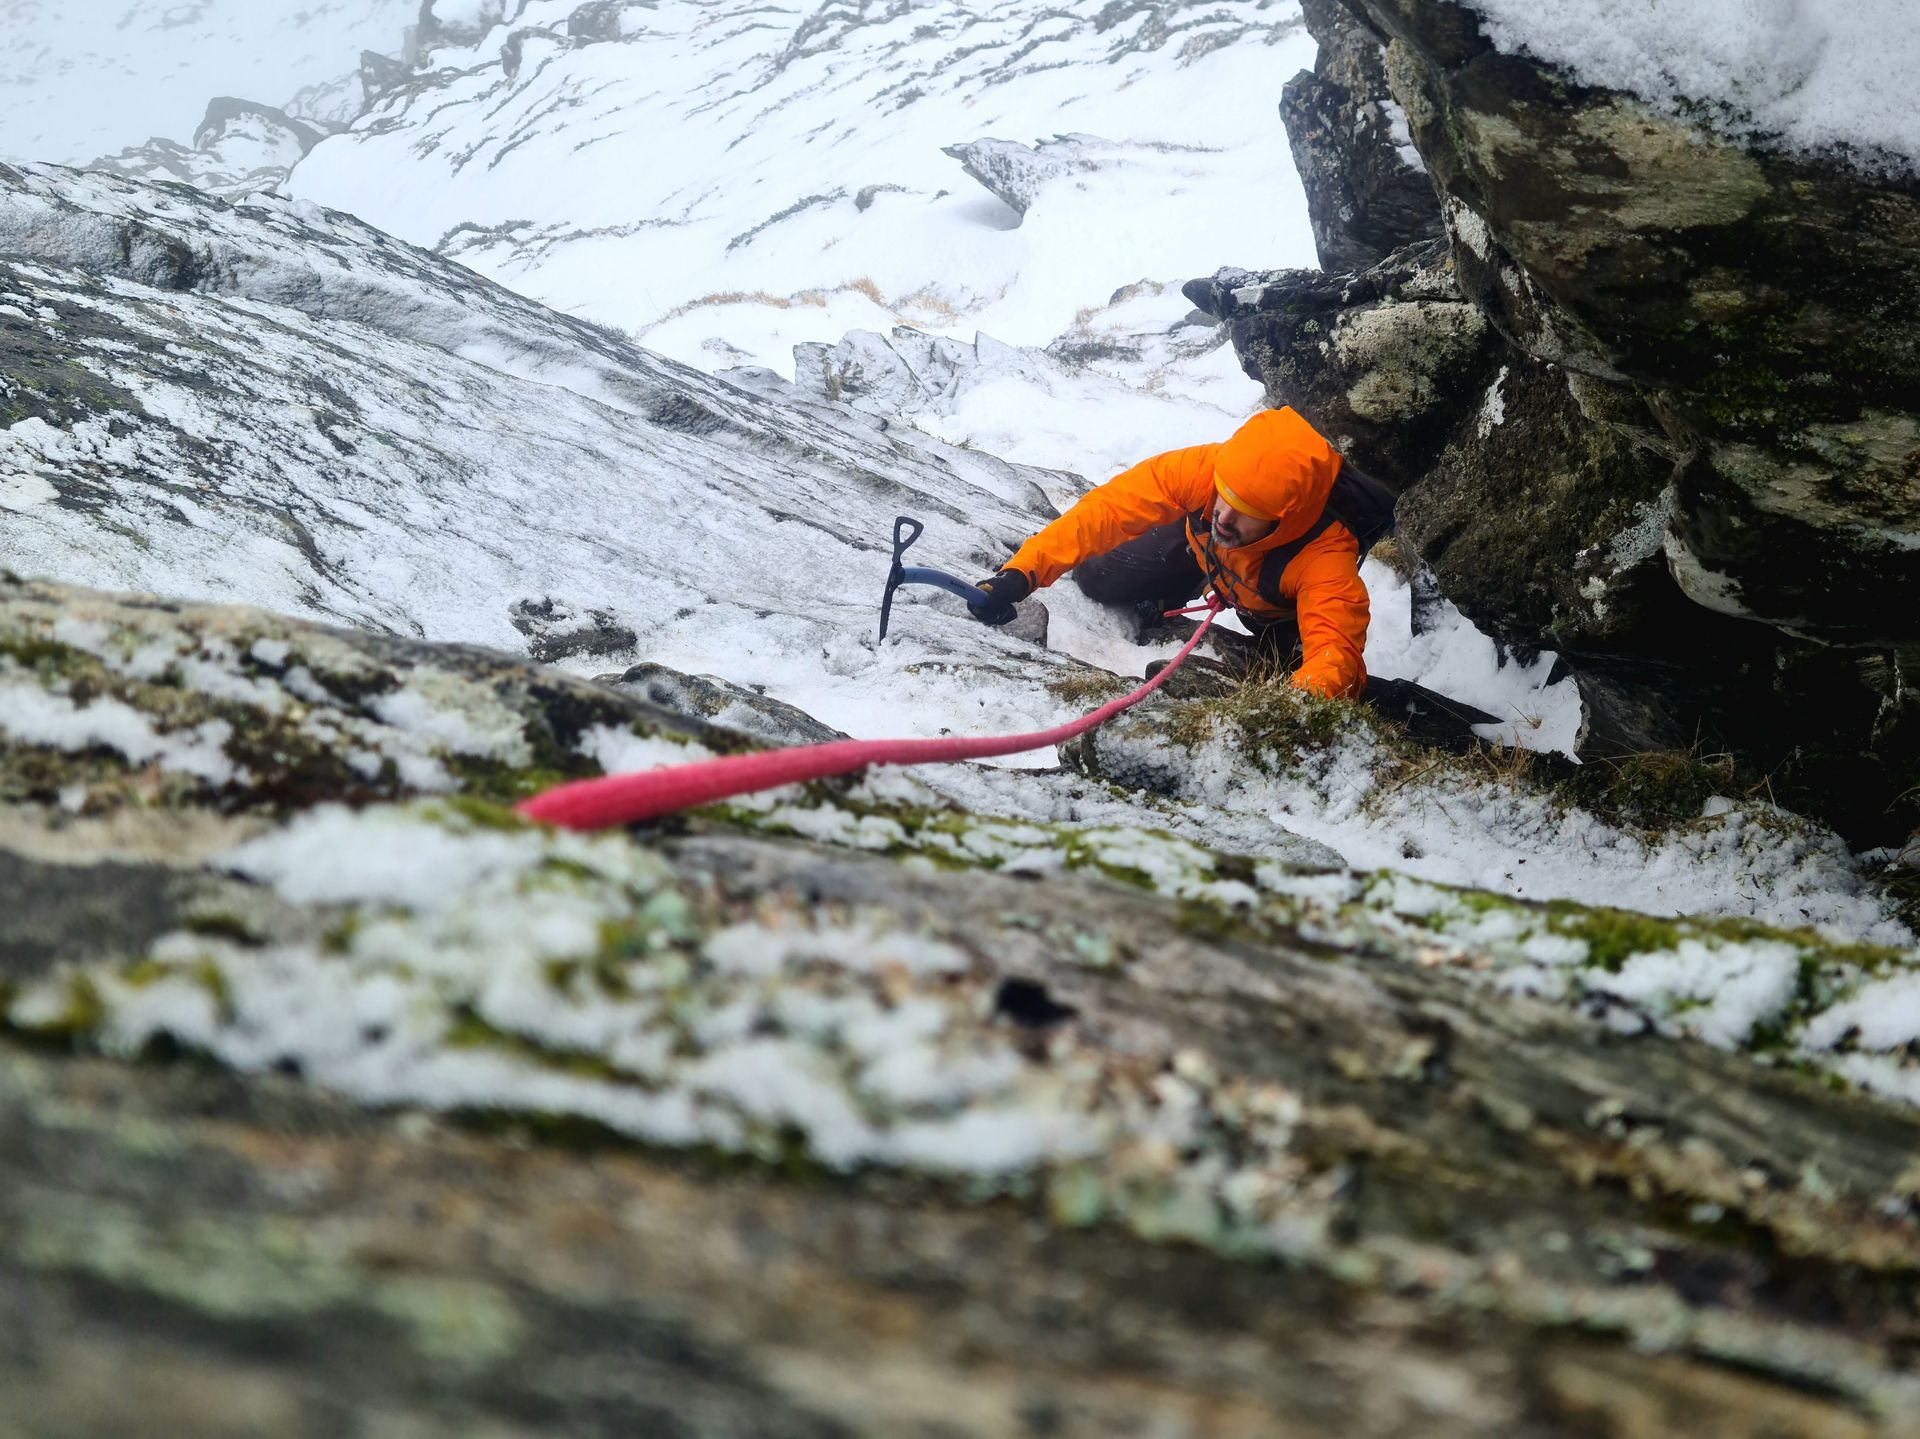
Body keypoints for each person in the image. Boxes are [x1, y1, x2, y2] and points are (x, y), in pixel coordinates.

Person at [973, 406, 1391, 699]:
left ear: (1285, 518)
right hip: (1207, 560)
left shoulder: (1325, 558)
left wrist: (1296, 709)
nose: (1223, 517)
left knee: (1279, 678)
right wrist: (1022, 573)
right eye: (1223, 498)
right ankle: (1170, 589)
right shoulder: (1206, 470)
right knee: (1096, 573)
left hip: (1277, 614)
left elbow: (1335, 653)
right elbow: (1107, 511)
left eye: (1248, 513)